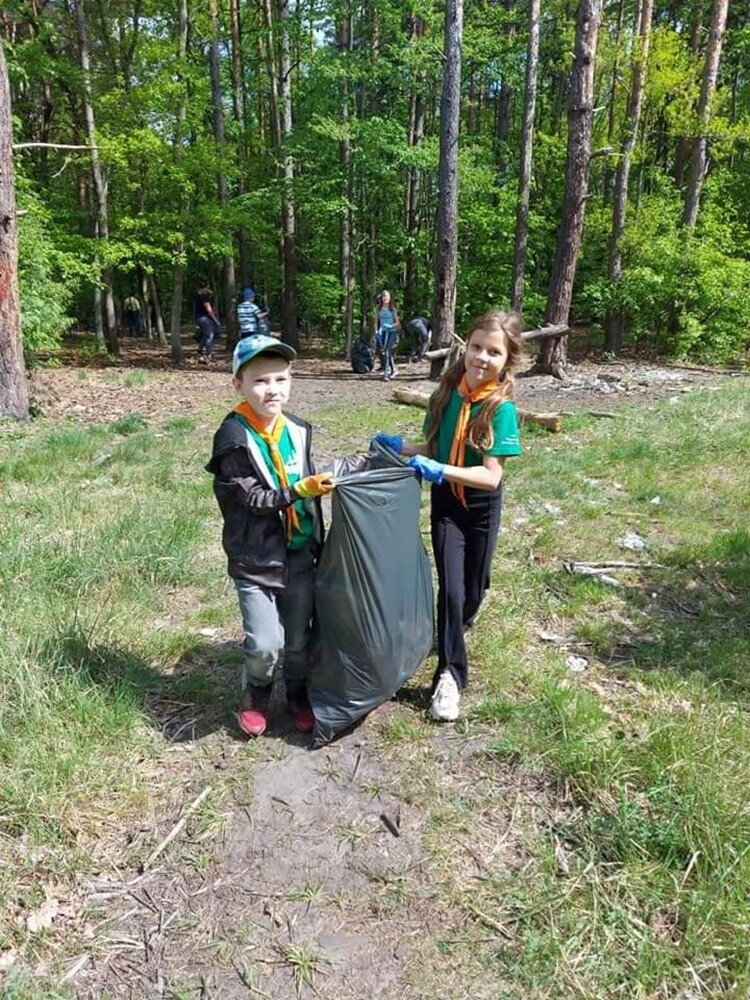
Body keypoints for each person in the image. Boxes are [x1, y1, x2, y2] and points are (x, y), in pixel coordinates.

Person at [374, 310, 523, 722]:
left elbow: (491, 477)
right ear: (465, 346)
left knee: (473, 590)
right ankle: (451, 677)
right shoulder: (445, 393)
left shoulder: (500, 409)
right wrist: (402, 446)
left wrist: (441, 470)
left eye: (493, 352)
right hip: (447, 507)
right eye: (476, 346)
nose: (481, 357)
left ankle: (457, 624)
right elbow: (433, 447)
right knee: (452, 592)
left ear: (506, 360)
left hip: (479, 509)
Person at [205, 334, 334, 737]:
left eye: (280, 379)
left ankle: (296, 691)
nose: (272, 390)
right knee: (265, 642)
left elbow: (304, 480)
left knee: (298, 639)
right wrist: (300, 490)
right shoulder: (232, 437)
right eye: (260, 381)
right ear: (238, 385)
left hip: (299, 552)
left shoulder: (297, 429)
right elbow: (253, 497)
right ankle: (257, 691)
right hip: (255, 558)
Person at [373, 290, 400, 381]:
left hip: (392, 331)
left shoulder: (392, 309)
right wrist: (376, 332)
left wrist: (390, 326)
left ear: (389, 298)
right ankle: (393, 370)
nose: (385, 298)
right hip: (383, 332)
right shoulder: (378, 309)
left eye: (387, 296)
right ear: (382, 298)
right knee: (385, 351)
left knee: (387, 350)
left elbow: (397, 323)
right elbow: (376, 322)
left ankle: (385, 374)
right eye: (384, 296)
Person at [194, 282, 221, 362]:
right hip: (204, 319)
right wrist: (215, 320)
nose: (207, 290)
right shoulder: (204, 297)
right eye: (207, 288)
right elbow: (209, 310)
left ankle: (200, 349)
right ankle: (209, 353)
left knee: (206, 334)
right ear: (204, 288)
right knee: (210, 334)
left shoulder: (197, 296)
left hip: (199, 318)